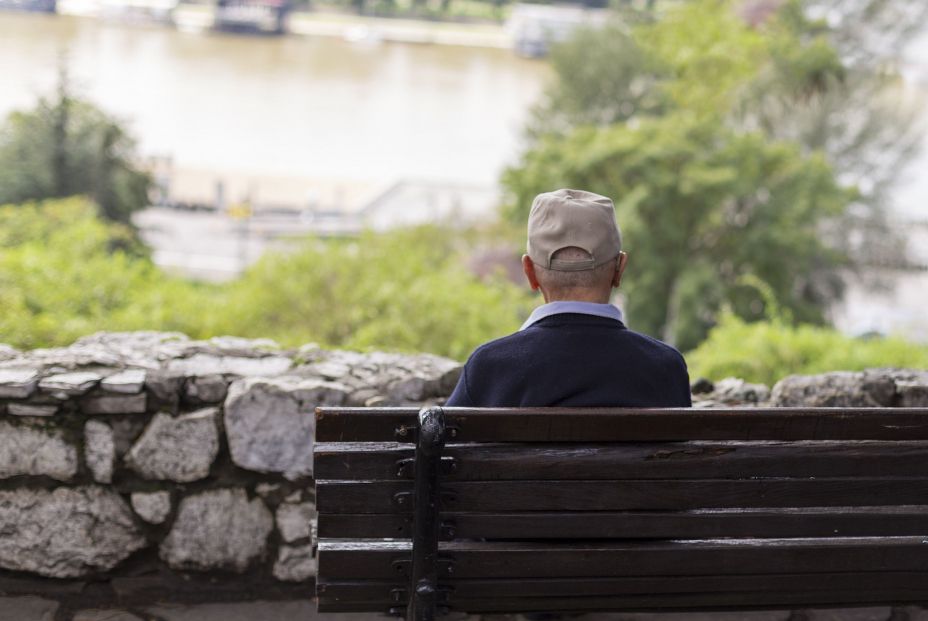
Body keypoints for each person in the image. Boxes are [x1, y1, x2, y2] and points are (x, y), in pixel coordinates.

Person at [446, 188, 691, 407]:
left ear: (530, 272)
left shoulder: (489, 368)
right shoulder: (666, 367)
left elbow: (442, 448)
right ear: (619, 270)